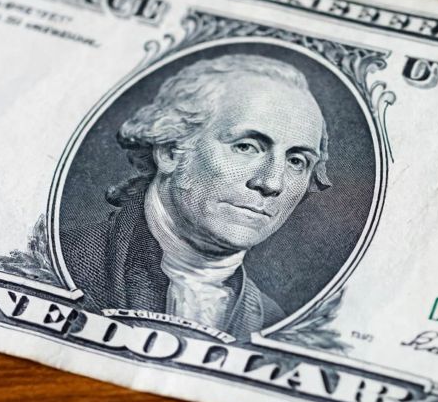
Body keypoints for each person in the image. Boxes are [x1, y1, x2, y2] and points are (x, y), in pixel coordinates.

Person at [63, 54, 330, 340]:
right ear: (170, 151)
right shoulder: (67, 261)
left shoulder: (274, 321)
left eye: (296, 161)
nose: (272, 183)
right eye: (246, 147)